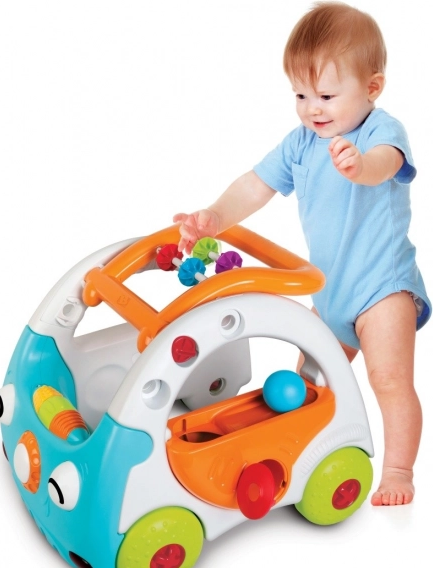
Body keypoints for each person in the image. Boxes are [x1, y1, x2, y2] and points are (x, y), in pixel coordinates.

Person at [172, 1, 431, 506]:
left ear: (372, 87)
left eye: (327, 95)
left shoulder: (379, 132)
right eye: (301, 94)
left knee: (388, 379)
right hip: (329, 293)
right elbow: (255, 185)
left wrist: (359, 166)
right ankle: (307, 450)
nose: (314, 108)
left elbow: (385, 164)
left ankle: (399, 470)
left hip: (383, 289)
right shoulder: (301, 143)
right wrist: (215, 216)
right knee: (313, 379)